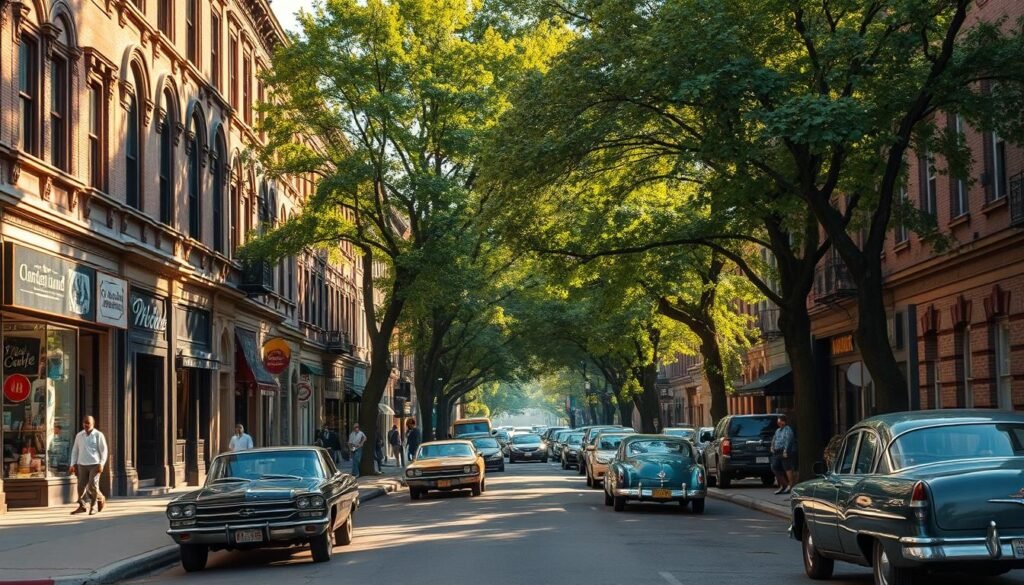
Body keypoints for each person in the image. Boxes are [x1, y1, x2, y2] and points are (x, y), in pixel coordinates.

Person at [69, 416, 108, 515]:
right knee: (80, 487)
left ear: (93, 424)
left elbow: (104, 451)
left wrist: (101, 464)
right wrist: (72, 464)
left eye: (88, 423)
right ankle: (82, 506)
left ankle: (94, 506)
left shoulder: (98, 435)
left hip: (95, 464)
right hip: (82, 464)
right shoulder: (79, 435)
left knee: (92, 486)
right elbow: (75, 450)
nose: (86, 425)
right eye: (84, 423)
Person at [771, 415, 796, 495]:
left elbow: (788, 441)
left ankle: (791, 485)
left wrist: (786, 451)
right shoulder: (778, 430)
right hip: (777, 452)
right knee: (775, 467)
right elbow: (774, 439)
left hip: (784, 451)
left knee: (787, 468)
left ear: (784, 422)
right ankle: (783, 485)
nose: (779, 423)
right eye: (778, 422)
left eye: (780, 421)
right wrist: (772, 446)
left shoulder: (788, 430)